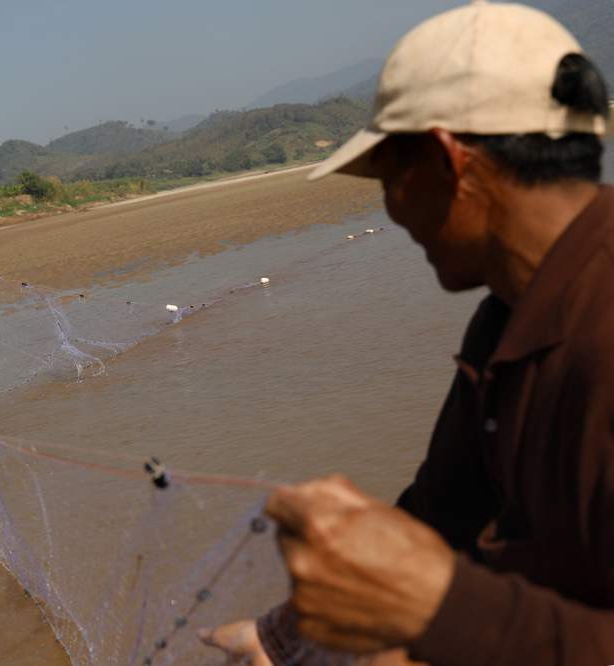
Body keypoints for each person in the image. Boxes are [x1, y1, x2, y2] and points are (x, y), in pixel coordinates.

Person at [202, 3, 614, 665]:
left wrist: (440, 609)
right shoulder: (506, 317)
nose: (393, 210)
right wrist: (283, 638)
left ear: (450, 162)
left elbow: (440, 592)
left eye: (391, 179)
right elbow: (441, 511)